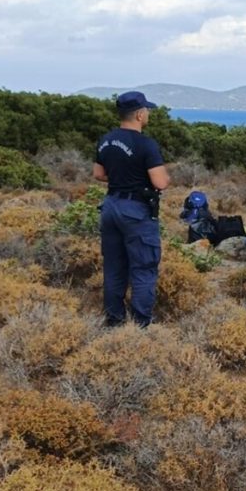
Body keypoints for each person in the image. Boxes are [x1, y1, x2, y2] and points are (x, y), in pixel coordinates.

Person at [92, 91, 170, 328]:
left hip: (111, 205)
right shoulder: (145, 144)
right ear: (139, 114)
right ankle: (140, 325)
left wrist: (121, 179)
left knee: (114, 267)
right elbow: (160, 182)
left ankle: (115, 321)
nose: (148, 114)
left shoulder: (105, 140)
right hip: (136, 210)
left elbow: (98, 174)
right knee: (144, 268)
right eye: (146, 110)